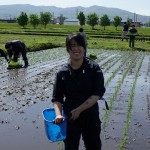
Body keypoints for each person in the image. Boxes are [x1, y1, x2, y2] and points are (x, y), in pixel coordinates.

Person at [51, 33, 105, 150]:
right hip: (70, 117)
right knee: (70, 146)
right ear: (67, 49)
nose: (76, 48)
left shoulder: (94, 68)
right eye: (72, 45)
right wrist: (59, 114)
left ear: (84, 48)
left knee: (93, 146)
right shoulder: (62, 72)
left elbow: (96, 94)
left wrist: (79, 110)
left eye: (79, 45)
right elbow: (57, 98)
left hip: (90, 115)